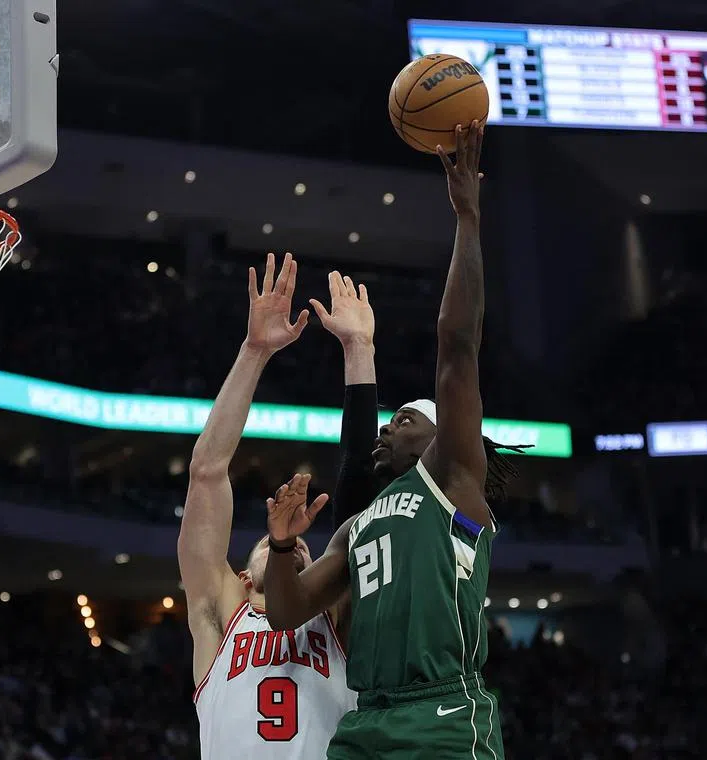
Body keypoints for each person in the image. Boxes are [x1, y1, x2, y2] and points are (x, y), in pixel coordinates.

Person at [262, 122, 521, 759]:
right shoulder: (358, 526)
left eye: (405, 418)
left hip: (441, 715)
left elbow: (458, 347)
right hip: (365, 723)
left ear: (444, 437)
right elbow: (286, 613)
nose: (388, 424)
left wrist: (467, 220)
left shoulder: (453, 480)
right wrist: (282, 543)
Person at [179, 252, 356, 759]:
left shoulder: (337, 616)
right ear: (241, 578)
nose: (298, 543)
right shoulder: (220, 613)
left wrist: (357, 350)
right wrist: (254, 352)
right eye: (275, 543)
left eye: (304, 546)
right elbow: (207, 473)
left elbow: (360, 509)